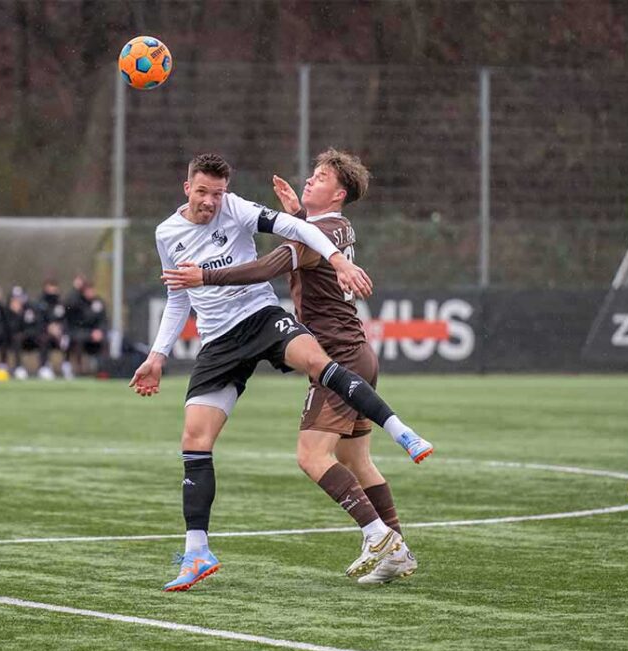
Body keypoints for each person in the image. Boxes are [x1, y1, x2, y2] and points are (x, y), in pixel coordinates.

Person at [130, 153, 433, 592]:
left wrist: (335, 257)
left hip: (261, 317)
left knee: (317, 375)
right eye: (204, 193)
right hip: (218, 342)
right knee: (195, 439)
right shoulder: (166, 232)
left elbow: (287, 246)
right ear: (186, 188)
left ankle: (396, 451)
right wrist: (158, 355)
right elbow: (179, 294)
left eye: (218, 193)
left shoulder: (239, 208)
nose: (213, 201)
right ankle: (197, 552)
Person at [66, 277, 108, 375]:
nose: (90, 293)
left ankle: (102, 370)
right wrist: (75, 289)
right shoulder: (77, 302)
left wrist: (100, 331)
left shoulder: (98, 303)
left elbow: (103, 320)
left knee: (105, 342)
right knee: (78, 341)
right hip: (80, 332)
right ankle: (80, 370)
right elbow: (68, 306)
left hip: (95, 333)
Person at [35, 279, 69, 379]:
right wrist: (48, 328)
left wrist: (60, 329)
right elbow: (38, 321)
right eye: (50, 287)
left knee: (68, 340)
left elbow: (65, 320)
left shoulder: (60, 304)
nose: (52, 290)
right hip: (42, 333)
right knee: (44, 339)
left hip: (58, 334)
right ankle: (44, 366)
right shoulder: (39, 303)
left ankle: (66, 365)